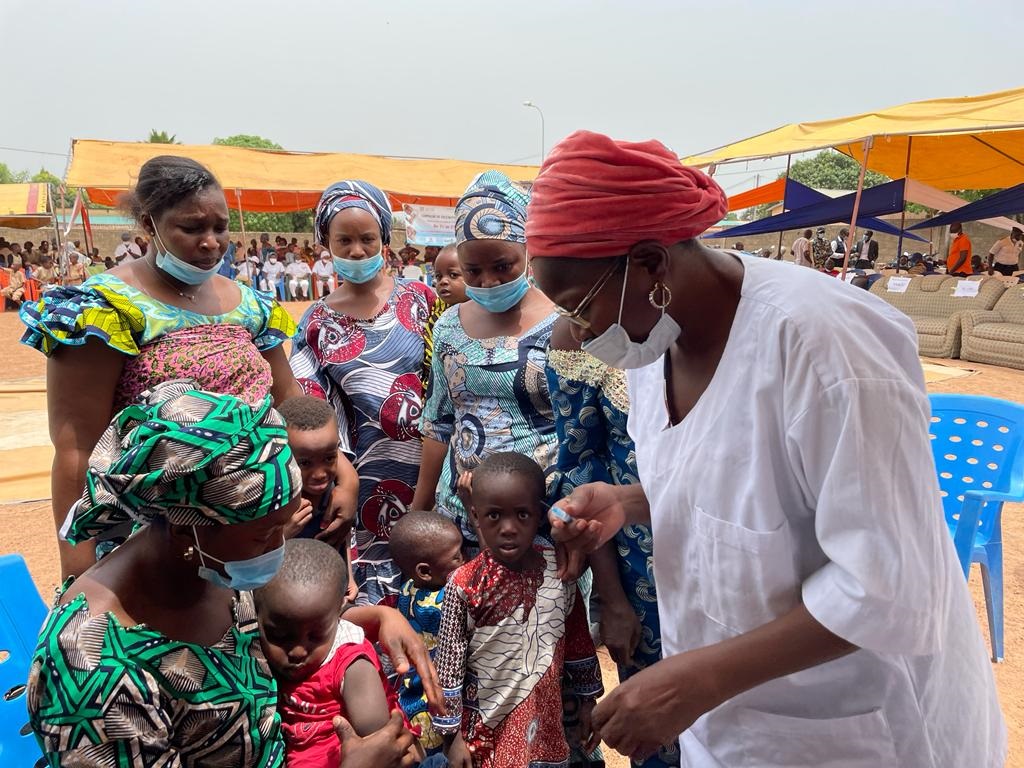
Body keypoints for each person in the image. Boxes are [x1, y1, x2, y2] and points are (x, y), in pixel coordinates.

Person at [526, 129, 1005, 767]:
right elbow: (743, 485)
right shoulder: (656, 340)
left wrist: (699, 679)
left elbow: (891, 586)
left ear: (650, 263)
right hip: (737, 727)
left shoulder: (826, 350)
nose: (581, 334)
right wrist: (628, 502)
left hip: (859, 728)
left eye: (580, 308)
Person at [27, 382, 438, 768]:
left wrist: (378, 617)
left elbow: (279, 630)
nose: (281, 548)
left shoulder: (212, 571)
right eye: (267, 535)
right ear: (188, 526)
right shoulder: (94, 674)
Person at [20, 155, 302, 579]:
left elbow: (291, 404)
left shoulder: (249, 306)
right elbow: (77, 448)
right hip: (152, 538)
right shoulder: (105, 309)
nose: (211, 242)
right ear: (149, 225)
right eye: (192, 228)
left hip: (256, 529)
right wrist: (78, 568)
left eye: (220, 228)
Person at [290, 179, 438, 606]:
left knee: (433, 579)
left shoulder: (423, 300)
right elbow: (316, 411)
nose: (357, 251)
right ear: (326, 244)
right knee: (373, 595)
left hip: (430, 468)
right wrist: (342, 482)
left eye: (367, 239)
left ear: (384, 241)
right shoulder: (316, 324)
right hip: (362, 481)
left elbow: (444, 389)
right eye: (345, 241)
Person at [545, 318, 677, 768]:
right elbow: (585, 467)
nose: (575, 318)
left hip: (741, 569)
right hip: (643, 581)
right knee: (659, 726)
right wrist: (613, 599)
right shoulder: (576, 340)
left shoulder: (716, 329)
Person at [414, 171, 558, 552]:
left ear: (527, 249)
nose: (489, 283)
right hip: (461, 517)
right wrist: (420, 508)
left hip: (539, 522)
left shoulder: (562, 324)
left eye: (502, 266)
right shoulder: (448, 326)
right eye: (473, 271)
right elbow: (439, 422)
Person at [432, 453, 603, 768]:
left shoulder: (559, 570)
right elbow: (449, 666)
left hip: (546, 723)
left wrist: (588, 700)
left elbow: (578, 636)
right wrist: (451, 737)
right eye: (494, 516)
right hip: (484, 731)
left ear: (539, 516)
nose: (509, 529)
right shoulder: (465, 583)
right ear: (476, 516)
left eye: (522, 515)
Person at [255, 538, 422, 768]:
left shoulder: (350, 664)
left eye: (316, 637)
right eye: (281, 637)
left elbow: (378, 737)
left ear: (337, 619)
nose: (297, 651)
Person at [389, 510, 465, 756]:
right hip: (435, 701)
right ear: (424, 571)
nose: (464, 561)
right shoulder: (444, 602)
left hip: (410, 696)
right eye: (456, 558)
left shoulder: (408, 588)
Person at [277, 395, 359, 600]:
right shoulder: (278, 502)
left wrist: (349, 578)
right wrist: (284, 533)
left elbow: (341, 534)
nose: (320, 473)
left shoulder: (334, 494)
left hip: (330, 592)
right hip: (287, 596)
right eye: (305, 463)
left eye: (329, 458)